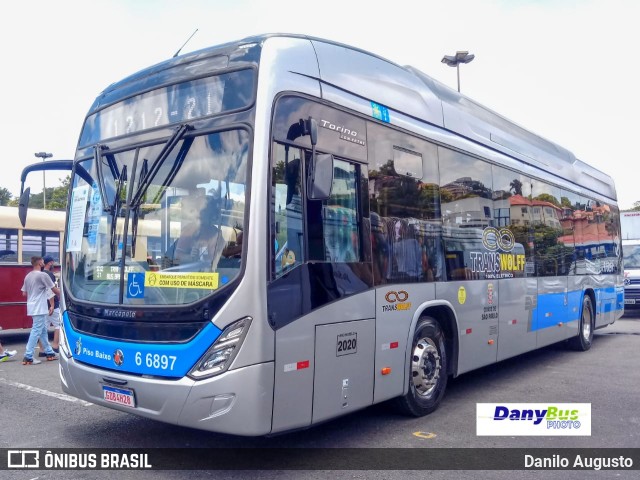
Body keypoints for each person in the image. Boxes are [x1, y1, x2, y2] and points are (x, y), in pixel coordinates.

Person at [21, 256, 61, 365]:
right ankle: (28, 356)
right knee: (36, 330)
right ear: (39, 263)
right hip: (39, 306)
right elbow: (54, 289)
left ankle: (49, 352)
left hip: (32, 305)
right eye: (43, 261)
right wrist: (64, 295)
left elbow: (24, 293)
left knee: (43, 330)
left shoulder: (28, 276)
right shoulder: (43, 275)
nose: (44, 263)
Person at [42, 255, 61, 352]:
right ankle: (55, 345)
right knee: (58, 324)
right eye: (52, 262)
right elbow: (51, 290)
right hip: (52, 304)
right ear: (49, 263)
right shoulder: (49, 274)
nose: (53, 264)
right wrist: (53, 304)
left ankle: (42, 350)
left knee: (43, 327)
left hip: (42, 304)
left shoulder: (40, 273)